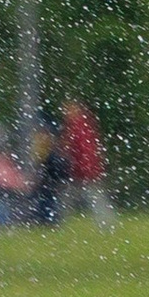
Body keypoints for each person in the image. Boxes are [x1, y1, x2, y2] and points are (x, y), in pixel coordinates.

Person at [58, 96, 111, 225]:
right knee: (92, 199)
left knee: (91, 198)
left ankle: (57, 222)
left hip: (83, 171)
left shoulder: (78, 126)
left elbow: (83, 150)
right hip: (83, 170)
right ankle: (58, 222)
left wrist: (84, 169)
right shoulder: (81, 125)